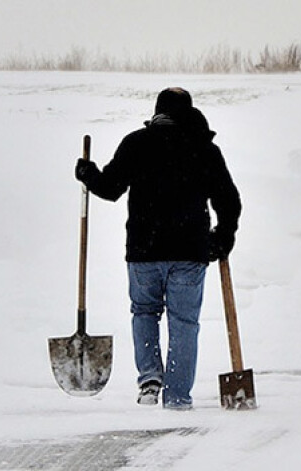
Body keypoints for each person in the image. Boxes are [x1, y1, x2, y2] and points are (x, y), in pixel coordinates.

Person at [75, 87, 242, 410]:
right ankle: (178, 396)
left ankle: (150, 378)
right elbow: (229, 200)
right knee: (184, 322)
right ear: (190, 112)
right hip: (190, 252)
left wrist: (87, 174)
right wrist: (223, 236)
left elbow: (110, 188)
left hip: (144, 249)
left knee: (144, 311)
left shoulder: (137, 143)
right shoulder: (204, 148)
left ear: (157, 112)